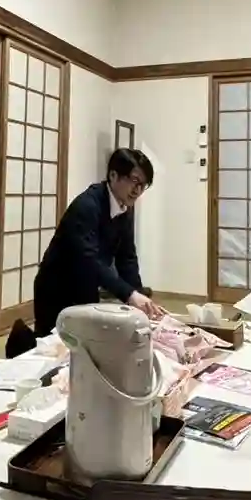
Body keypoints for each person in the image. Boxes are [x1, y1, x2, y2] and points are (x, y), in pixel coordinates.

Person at [18, 148, 163, 356]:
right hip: (56, 286)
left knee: (84, 347)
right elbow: (89, 260)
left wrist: (138, 297)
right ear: (113, 175)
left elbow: (127, 257)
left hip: (85, 284)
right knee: (52, 350)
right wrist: (129, 295)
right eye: (134, 181)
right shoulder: (87, 205)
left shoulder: (125, 207)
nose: (138, 190)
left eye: (143, 184)